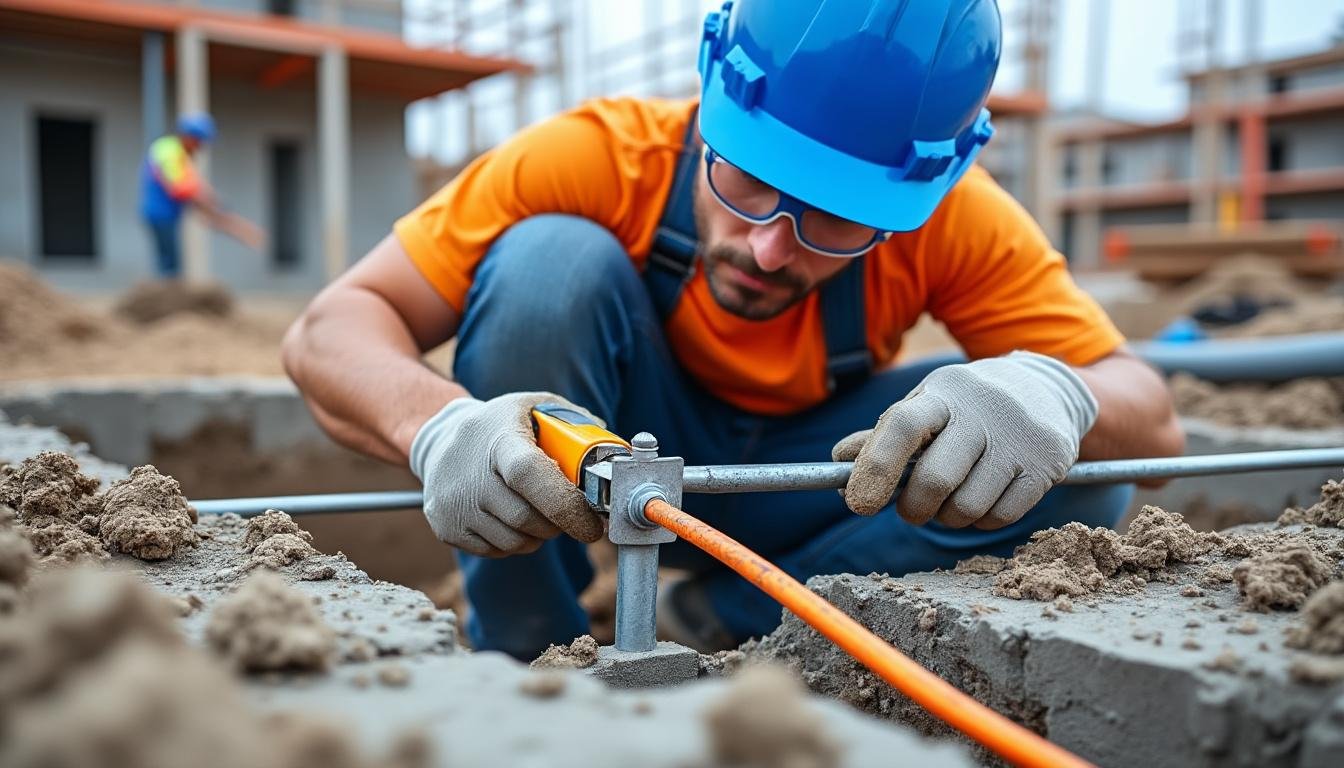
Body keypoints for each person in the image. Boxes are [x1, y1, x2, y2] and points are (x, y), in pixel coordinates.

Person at [282, 0, 1184, 659]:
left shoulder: (959, 220)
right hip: (589, 455)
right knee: (545, 267)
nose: (766, 247)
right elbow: (332, 331)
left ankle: (740, 622)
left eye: (834, 219)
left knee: (1074, 482)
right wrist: (435, 425)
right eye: (747, 179)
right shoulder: (599, 156)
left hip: (813, 484)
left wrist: (1056, 391)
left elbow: (1153, 421)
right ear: (714, 102)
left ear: (917, 193)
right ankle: (525, 653)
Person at [139, 113, 264, 278]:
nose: (200, 147)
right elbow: (180, 188)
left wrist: (215, 204)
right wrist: (211, 208)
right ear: (189, 137)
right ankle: (167, 297)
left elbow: (195, 184)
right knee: (169, 263)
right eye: (199, 142)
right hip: (160, 213)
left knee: (171, 260)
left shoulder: (179, 154)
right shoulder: (168, 151)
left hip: (169, 212)